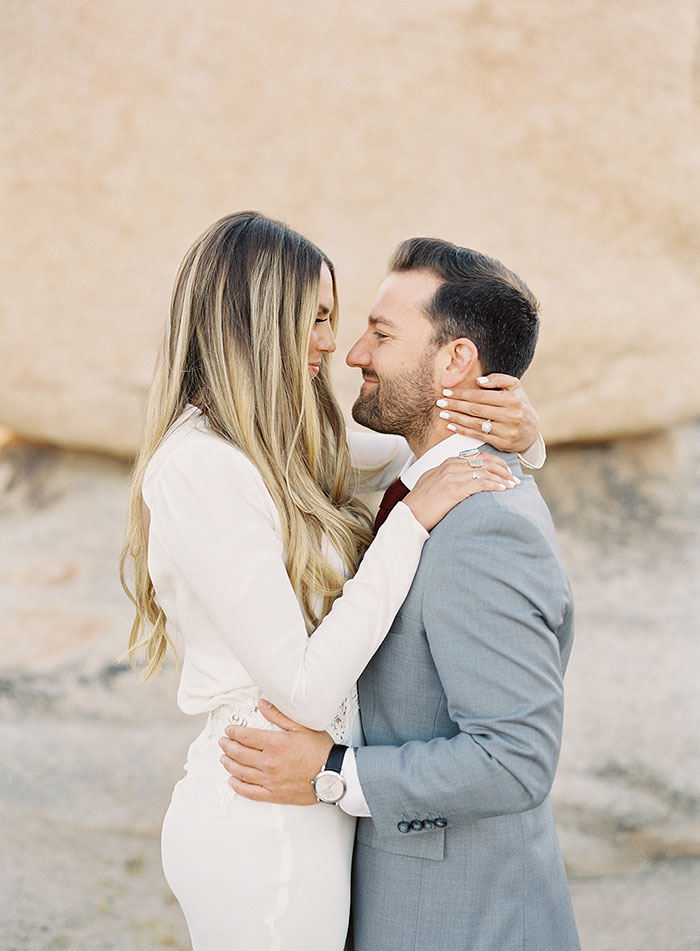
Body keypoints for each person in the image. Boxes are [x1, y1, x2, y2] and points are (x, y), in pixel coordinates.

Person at [120, 212, 543, 951]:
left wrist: (526, 436)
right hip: (263, 813)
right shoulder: (200, 468)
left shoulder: (276, 442)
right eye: (315, 319)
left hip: (302, 808)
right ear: (257, 321)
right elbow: (304, 689)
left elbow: (419, 443)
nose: (333, 345)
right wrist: (410, 522)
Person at [220, 237, 581, 950]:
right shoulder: (423, 481)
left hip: (462, 921)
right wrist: (529, 440)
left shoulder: (483, 526)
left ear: (455, 361)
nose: (354, 353)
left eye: (381, 334)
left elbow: (516, 758)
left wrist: (330, 772)